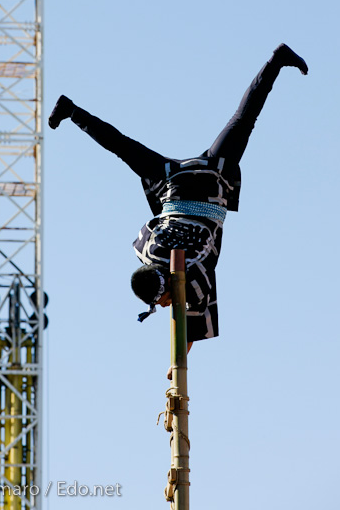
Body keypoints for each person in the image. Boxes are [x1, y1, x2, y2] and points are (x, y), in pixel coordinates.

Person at [48, 43, 308, 356]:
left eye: (162, 301)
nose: (164, 305)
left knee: (242, 121)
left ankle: (277, 60)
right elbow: (147, 227)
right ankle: (72, 111)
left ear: (168, 288)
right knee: (125, 148)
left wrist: (179, 363)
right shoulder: (146, 253)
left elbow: (196, 317)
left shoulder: (192, 272)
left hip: (209, 181)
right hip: (173, 183)